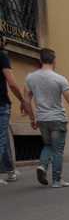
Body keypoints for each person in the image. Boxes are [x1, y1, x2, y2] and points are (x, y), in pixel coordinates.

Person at [23, 48, 69, 188]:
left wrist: (32, 117)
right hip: (57, 119)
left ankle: (42, 167)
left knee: (48, 145)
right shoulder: (59, 79)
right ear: (54, 61)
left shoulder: (30, 78)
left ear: (40, 60)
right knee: (57, 149)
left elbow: (26, 99)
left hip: (41, 118)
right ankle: (57, 180)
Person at [0, 34, 27, 186]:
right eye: (5, 41)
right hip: (1, 103)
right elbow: (11, 82)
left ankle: (10, 171)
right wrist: (23, 101)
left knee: (3, 139)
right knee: (0, 139)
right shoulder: (2, 56)